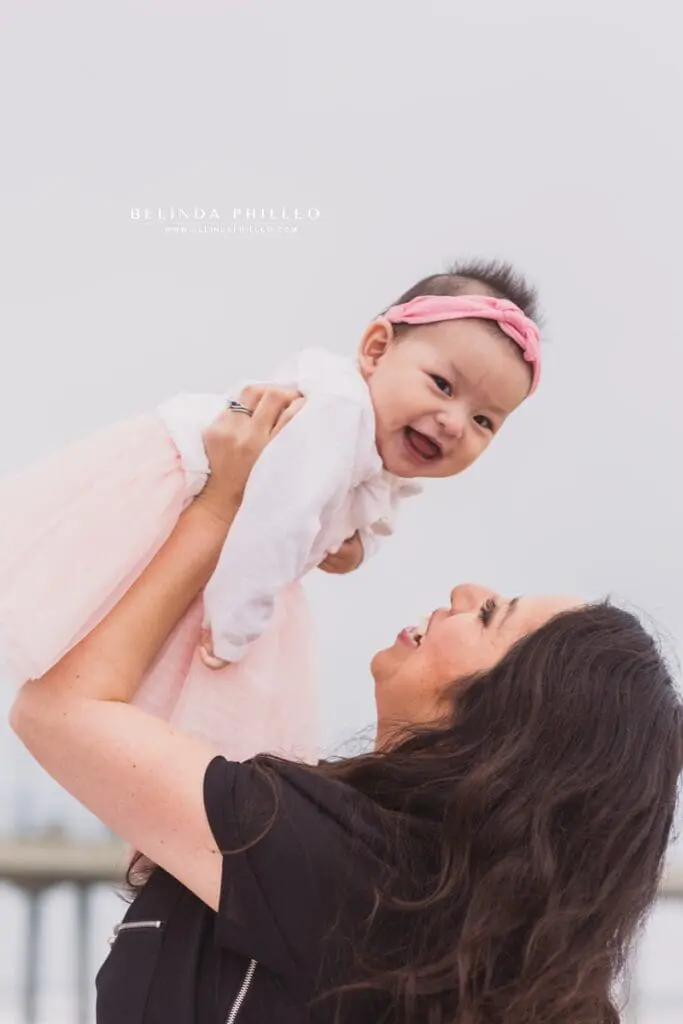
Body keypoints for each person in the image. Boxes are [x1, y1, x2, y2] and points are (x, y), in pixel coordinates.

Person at [9, 386, 683, 1024]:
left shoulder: (326, 860)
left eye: (488, 615)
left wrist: (220, 505)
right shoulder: (523, 963)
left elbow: (59, 712)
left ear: (509, 727)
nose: (464, 590)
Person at [0, 260, 541, 764]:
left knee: (140, 693)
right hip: (181, 499)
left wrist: (357, 545)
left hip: (226, 543)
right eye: (442, 386)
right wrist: (233, 626)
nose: (453, 422)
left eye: (484, 421)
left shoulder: (380, 441)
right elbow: (277, 521)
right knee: (125, 632)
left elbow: (384, 499)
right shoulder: (336, 410)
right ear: (376, 349)